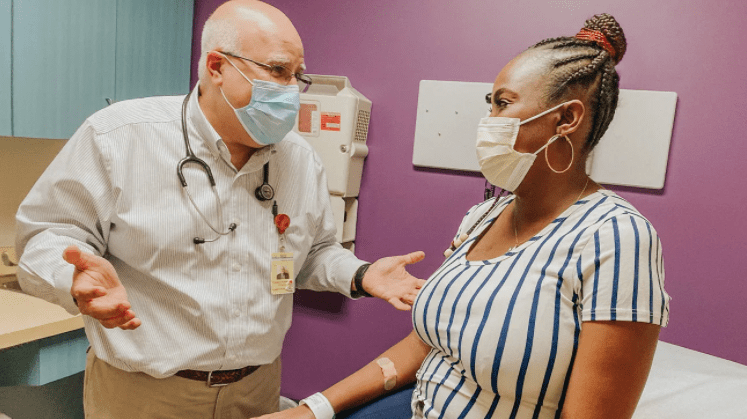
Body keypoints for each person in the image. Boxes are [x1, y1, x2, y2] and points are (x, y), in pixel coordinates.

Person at [14, 1, 425, 418]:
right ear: (216, 66)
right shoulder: (118, 137)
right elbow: (46, 235)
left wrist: (360, 273)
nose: (291, 91)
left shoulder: (299, 160)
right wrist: (72, 277)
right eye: (278, 71)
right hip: (144, 394)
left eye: (296, 77)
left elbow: (314, 252)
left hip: (257, 389)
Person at [254, 13, 670, 419]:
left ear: (566, 119)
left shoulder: (618, 239)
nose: (488, 122)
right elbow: (425, 348)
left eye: (503, 104)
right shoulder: (483, 216)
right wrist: (313, 409)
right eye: (489, 105)